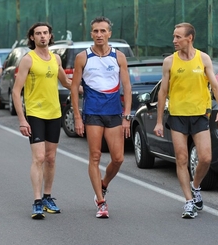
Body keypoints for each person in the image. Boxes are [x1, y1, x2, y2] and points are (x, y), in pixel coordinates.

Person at [153, 22, 218, 219]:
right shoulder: (169, 61)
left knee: (205, 158)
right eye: (174, 36)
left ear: (189, 38)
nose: (174, 40)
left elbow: (215, 85)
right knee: (182, 158)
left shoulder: (203, 58)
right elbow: (162, 92)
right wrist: (159, 121)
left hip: (200, 114)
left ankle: (195, 187)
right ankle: (188, 202)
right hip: (177, 115)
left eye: (178, 37)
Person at [70, 16, 132, 219]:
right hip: (93, 114)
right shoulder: (83, 57)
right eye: (96, 31)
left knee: (118, 158)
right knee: (95, 156)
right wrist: (77, 117)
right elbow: (73, 89)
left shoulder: (119, 57)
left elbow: (127, 87)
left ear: (109, 34)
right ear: (91, 34)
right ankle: (101, 202)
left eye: (103, 31)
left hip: (114, 113)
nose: (99, 35)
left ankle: (103, 184)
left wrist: (126, 116)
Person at [12, 22, 71, 219]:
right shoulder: (28, 60)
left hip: (54, 113)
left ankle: (47, 197)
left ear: (50, 36)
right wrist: (22, 119)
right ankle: (37, 201)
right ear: (32, 38)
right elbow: (15, 91)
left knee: (51, 158)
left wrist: (85, 87)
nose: (43, 36)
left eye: (45, 33)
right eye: (38, 34)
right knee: (38, 158)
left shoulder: (56, 58)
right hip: (36, 114)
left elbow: (65, 82)